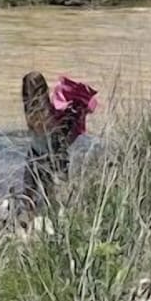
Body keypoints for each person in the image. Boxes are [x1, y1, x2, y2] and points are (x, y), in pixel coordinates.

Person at [20, 71, 97, 214]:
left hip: (47, 155)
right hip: (40, 154)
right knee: (38, 195)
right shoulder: (43, 110)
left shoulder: (49, 112)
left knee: (46, 195)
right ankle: (38, 219)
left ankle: (41, 220)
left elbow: (54, 135)